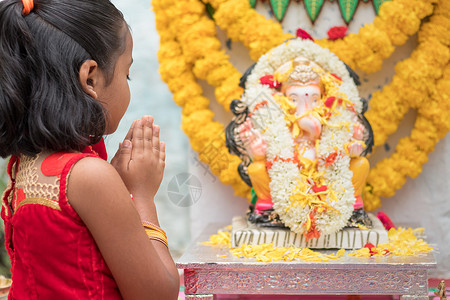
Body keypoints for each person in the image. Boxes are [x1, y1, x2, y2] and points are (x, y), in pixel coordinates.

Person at [0, 0, 179, 299]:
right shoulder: (89, 176)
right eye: (127, 73)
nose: (127, 83)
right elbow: (159, 294)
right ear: (90, 77)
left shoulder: (25, 162)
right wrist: (143, 195)